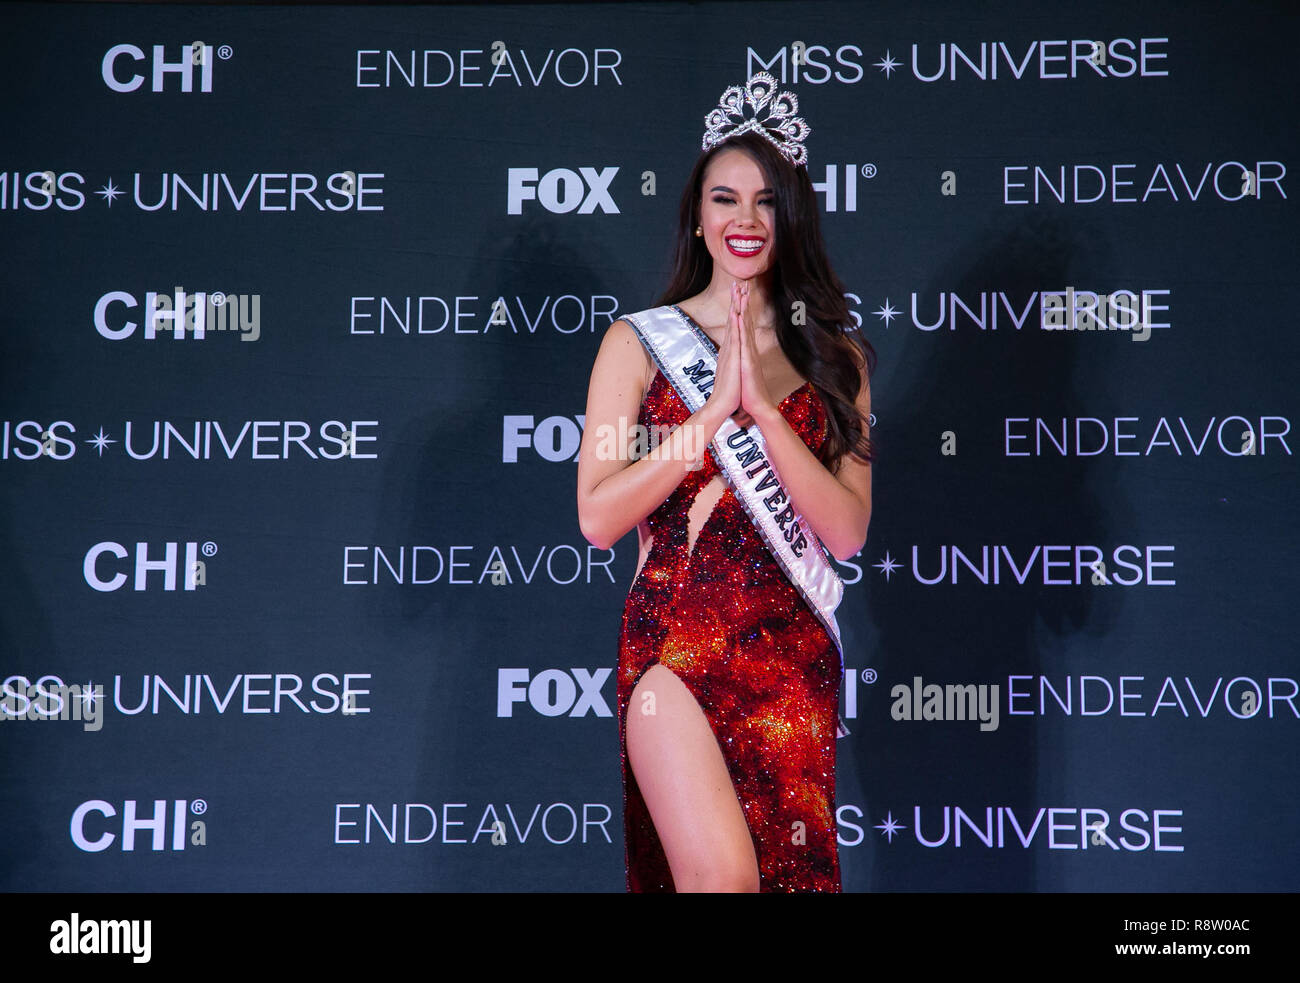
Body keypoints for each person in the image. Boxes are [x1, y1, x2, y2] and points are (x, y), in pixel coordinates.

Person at [576, 73, 876, 892]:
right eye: (724, 198)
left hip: (792, 656)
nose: (744, 219)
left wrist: (768, 418)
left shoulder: (836, 360)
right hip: (675, 646)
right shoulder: (637, 343)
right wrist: (708, 419)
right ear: (697, 219)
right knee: (724, 880)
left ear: (792, 215)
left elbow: (847, 533)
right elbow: (598, 516)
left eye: (765, 200)